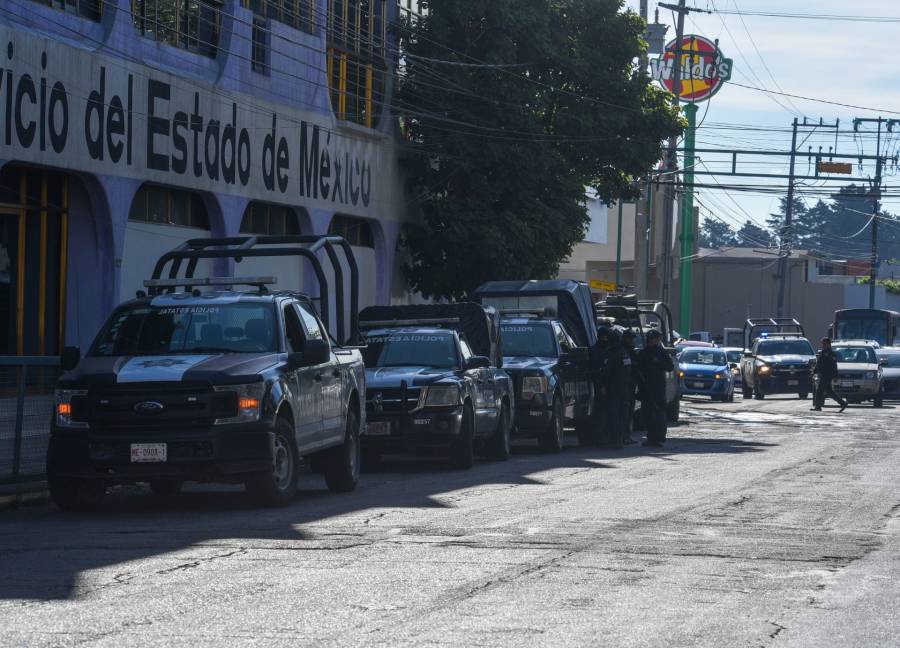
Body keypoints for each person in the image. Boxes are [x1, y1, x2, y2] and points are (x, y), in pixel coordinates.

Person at [637, 329, 674, 447]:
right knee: (647, 413)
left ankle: (659, 437)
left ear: (657, 340)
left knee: (659, 413)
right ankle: (650, 437)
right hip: (646, 388)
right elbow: (638, 368)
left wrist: (658, 363)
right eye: (649, 339)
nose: (650, 341)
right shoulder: (644, 353)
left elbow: (670, 367)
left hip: (658, 388)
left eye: (653, 339)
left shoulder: (662, 353)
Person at [598, 326, 629, 449]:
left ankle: (615, 440)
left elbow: (606, 371)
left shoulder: (612, 353)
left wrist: (603, 385)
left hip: (614, 388)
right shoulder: (624, 353)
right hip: (623, 388)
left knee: (614, 414)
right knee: (621, 414)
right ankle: (618, 439)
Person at [813, 337, 847, 412]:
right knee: (829, 391)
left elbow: (834, 365)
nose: (823, 346)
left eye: (825, 344)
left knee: (819, 390)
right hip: (823, 374)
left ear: (829, 345)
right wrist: (815, 371)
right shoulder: (822, 352)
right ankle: (843, 403)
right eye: (823, 344)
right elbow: (819, 363)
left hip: (827, 375)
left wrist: (835, 375)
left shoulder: (832, 354)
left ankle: (818, 406)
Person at [621, 328, 640, 445]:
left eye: (632, 339)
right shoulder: (623, 351)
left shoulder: (630, 351)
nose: (632, 341)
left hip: (631, 385)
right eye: (630, 338)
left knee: (629, 412)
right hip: (625, 386)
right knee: (625, 412)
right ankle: (623, 436)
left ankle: (626, 435)